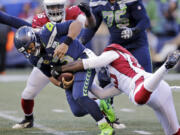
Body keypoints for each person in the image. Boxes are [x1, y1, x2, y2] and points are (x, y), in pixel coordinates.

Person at [13, 18, 115, 135]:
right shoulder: (34, 58)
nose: (31, 51)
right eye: (27, 50)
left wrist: (66, 43)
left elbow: (76, 24)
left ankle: (106, 127)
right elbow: (50, 75)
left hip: (82, 61)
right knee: (78, 111)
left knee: (80, 96)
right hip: (68, 71)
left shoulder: (47, 32)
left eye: (30, 46)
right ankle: (101, 103)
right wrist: (61, 84)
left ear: (34, 37)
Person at [57, 43, 180, 135]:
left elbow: (90, 63)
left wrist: (61, 69)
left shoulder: (111, 53)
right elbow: (102, 94)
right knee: (174, 132)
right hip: (159, 88)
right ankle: (165, 67)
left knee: (137, 99)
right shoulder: (118, 81)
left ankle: (166, 66)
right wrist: (79, 83)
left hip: (144, 84)